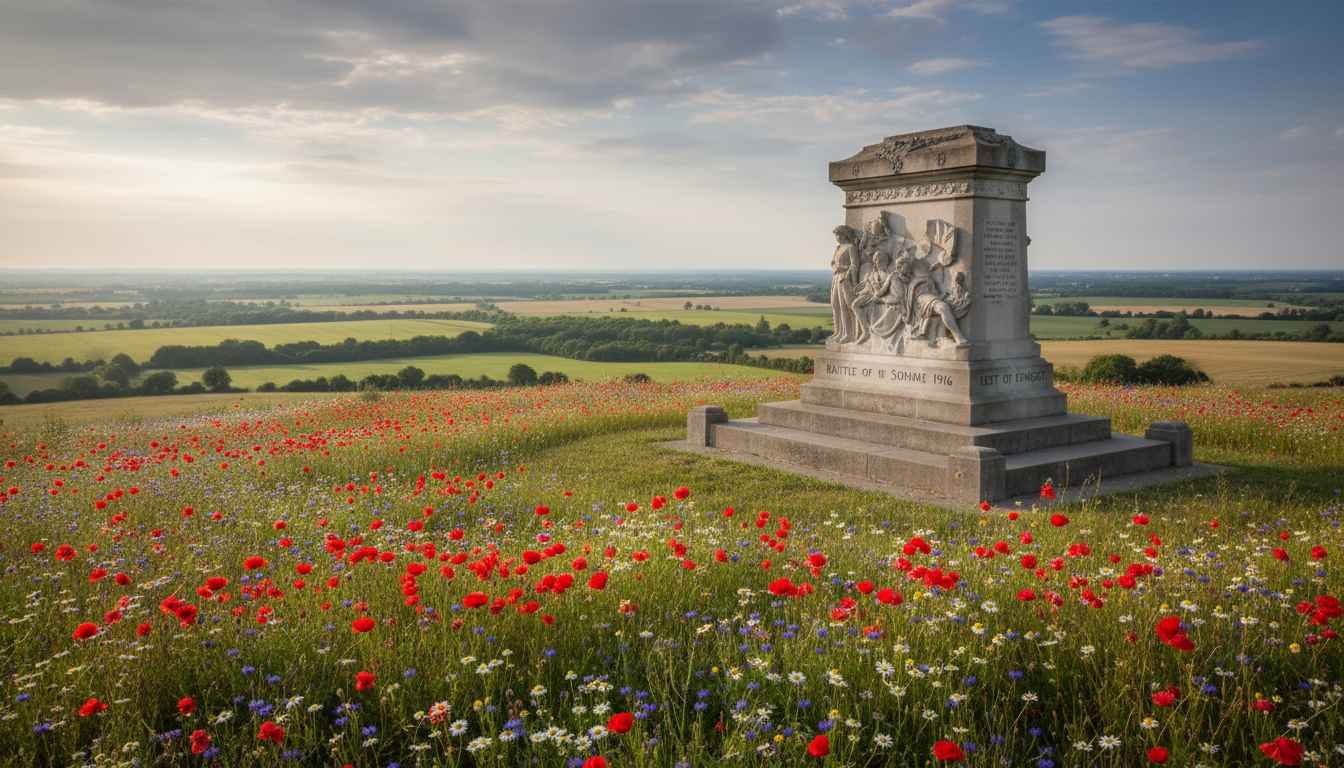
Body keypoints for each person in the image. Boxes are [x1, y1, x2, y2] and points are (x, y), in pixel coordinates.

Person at [893, 253, 970, 347]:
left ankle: (950, 337)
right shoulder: (902, 279)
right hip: (921, 299)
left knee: (949, 305)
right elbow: (899, 296)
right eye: (901, 266)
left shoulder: (921, 272)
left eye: (904, 265)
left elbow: (932, 269)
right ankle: (958, 337)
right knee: (943, 307)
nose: (902, 268)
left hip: (931, 297)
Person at [828, 226, 862, 343]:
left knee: (844, 306)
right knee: (835, 304)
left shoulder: (851, 247)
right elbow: (832, 262)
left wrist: (845, 271)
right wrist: (834, 268)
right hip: (836, 277)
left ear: (844, 235)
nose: (837, 237)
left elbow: (855, 265)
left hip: (845, 278)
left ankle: (848, 333)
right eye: (836, 235)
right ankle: (838, 331)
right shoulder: (838, 248)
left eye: (838, 234)